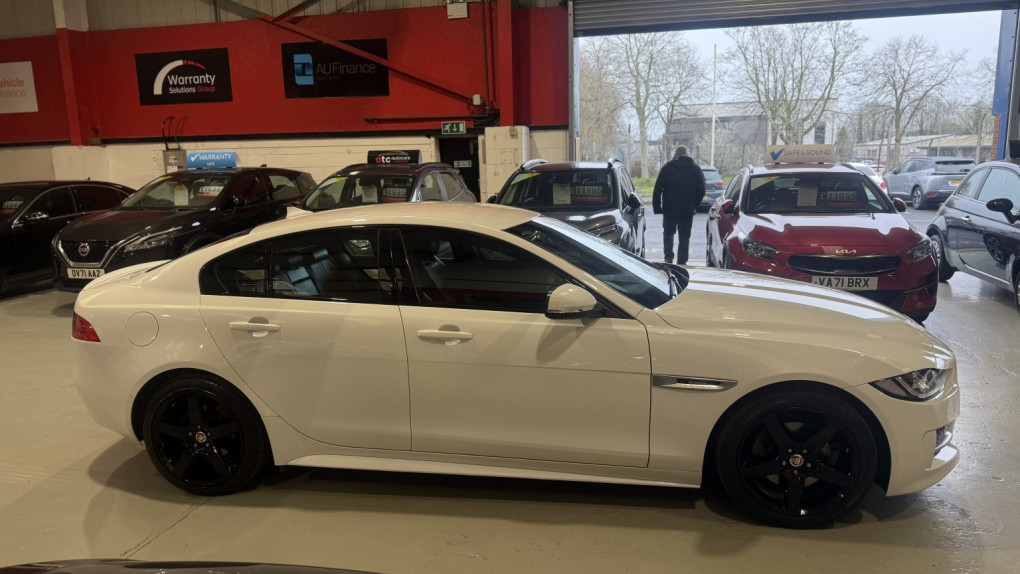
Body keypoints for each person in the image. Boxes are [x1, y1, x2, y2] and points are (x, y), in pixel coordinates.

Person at [652, 145, 705, 264]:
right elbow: (701, 190)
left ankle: (668, 258)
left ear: (675, 154)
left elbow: (658, 188)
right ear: (687, 154)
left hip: (669, 209)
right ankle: (682, 261)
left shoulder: (667, 168)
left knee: (668, 234)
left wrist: (657, 207)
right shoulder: (695, 169)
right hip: (687, 209)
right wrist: (694, 205)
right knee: (684, 237)